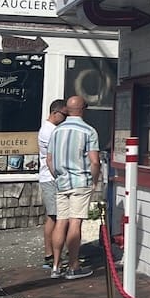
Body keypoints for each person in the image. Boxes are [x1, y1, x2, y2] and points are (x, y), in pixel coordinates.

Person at [46, 94, 100, 280]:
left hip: (62, 181)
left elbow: (49, 159)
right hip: (80, 181)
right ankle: (73, 266)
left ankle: (55, 266)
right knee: (75, 222)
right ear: (83, 109)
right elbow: (94, 161)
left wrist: (58, 175)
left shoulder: (56, 131)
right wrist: (94, 181)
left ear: (67, 110)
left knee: (61, 221)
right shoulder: (89, 131)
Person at [37, 98, 68, 269]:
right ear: (55, 113)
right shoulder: (49, 131)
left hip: (51, 177)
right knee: (54, 216)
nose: (65, 118)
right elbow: (53, 156)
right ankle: (50, 255)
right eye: (64, 115)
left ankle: (54, 254)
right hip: (50, 177)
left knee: (55, 216)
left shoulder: (52, 129)